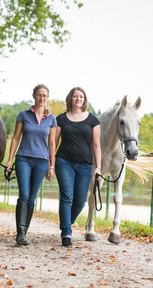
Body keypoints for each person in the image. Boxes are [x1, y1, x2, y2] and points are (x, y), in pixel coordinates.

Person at [5, 84, 57, 245]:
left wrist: (52, 166)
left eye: (45, 95)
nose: (42, 98)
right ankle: (20, 233)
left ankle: (23, 232)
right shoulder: (23, 115)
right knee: (24, 195)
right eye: (39, 95)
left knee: (32, 197)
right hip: (23, 159)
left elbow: (52, 144)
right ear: (33, 96)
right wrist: (9, 160)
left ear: (48, 97)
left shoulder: (51, 119)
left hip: (42, 161)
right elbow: (15, 138)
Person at [54, 87, 102, 247]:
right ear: (70, 99)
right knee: (66, 197)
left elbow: (96, 145)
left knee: (80, 201)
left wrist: (99, 167)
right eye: (75, 96)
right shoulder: (61, 119)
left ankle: (66, 222)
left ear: (84, 100)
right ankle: (66, 233)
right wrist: (51, 164)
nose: (78, 99)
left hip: (85, 165)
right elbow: (53, 142)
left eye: (81, 96)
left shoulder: (93, 120)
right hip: (64, 162)